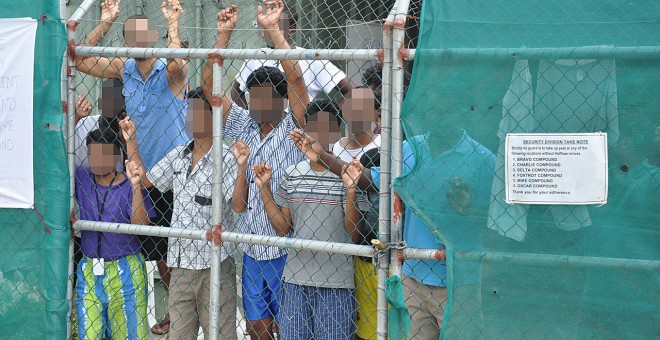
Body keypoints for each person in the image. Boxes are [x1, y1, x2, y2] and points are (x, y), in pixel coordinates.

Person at [289, 125, 496, 339]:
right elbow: (369, 180)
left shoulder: (481, 158)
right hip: (413, 276)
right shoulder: (410, 149)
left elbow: (496, 220)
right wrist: (322, 155)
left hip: (458, 281)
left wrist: (469, 209)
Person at [75, 1, 190, 332]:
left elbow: (178, 64)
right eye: (132, 37)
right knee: (145, 249)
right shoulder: (124, 67)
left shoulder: (167, 69)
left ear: (154, 36)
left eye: (144, 35)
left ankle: (178, 314)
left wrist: (174, 26)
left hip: (172, 176)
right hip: (140, 176)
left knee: (175, 253)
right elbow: (80, 58)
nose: (139, 42)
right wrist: (106, 22)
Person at [201, 2, 310, 338]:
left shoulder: (295, 127)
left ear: (281, 100)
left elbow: (295, 78)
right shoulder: (244, 125)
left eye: (266, 97)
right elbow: (209, 89)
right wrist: (222, 37)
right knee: (256, 325)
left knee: (288, 325)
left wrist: (275, 32)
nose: (258, 103)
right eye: (253, 96)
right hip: (250, 248)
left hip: (286, 250)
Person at [122, 88, 239, 339]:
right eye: (188, 112)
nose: (190, 118)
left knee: (220, 334)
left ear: (213, 116)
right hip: (181, 265)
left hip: (214, 265)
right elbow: (146, 180)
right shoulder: (179, 154)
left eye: (197, 112)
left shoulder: (227, 158)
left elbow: (238, 205)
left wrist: (243, 168)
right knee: (178, 335)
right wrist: (131, 140)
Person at [250, 100, 368, 339]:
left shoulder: (348, 172)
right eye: (313, 126)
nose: (319, 134)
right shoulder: (293, 173)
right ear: (305, 130)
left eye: (327, 127)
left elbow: (353, 233)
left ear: (337, 131)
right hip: (294, 280)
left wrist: (351, 191)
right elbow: (282, 228)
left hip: (336, 282)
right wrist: (264, 189)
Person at [74, 128, 154, 340]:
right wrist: (74, 116)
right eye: (93, 154)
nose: (97, 160)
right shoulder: (82, 177)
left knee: (129, 335)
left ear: (116, 156)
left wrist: (136, 186)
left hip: (125, 270)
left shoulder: (129, 183)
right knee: (89, 335)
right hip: (90, 269)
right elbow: (57, 161)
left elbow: (141, 223)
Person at [230, 3, 353, 109]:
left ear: (292, 30)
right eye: (265, 25)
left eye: (275, 25)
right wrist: (248, 119)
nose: (269, 30)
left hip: (297, 129)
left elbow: (352, 91)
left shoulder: (309, 59)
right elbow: (236, 91)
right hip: (265, 130)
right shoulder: (256, 57)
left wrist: (330, 117)